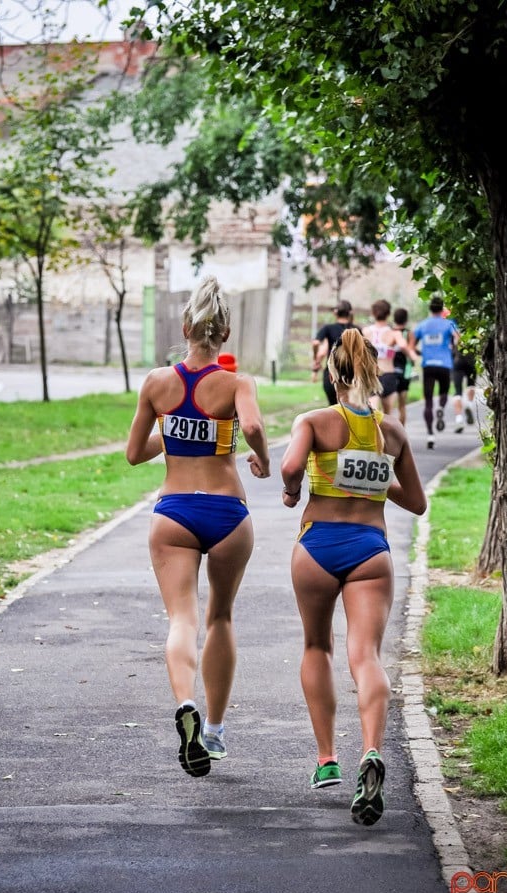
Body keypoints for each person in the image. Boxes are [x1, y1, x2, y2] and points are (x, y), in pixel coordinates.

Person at [126, 275, 271, 778]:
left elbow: (133, 453)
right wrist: (262, 457)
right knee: (221, 619)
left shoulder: (156, 383)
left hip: (174, 513)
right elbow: (250, 426)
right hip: (227, 512)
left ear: (185, 326)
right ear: (224, 333)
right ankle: (213, 730)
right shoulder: (236, 384)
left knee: (182, 619)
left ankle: (185, 702)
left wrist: (172, 436)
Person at [280, 328, 426, 826]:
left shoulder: (315, 421)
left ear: (332, 375)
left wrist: (292, 488)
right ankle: (371, 751)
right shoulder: (392, 434)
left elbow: (291, 465)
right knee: (365, 656)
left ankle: (326, 760)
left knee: (316, 647)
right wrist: (378, 482)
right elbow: (417, 502)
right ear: (372, 374)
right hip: (371, 551)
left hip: (317, 546)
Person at [413, 295, 459, 449]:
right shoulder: (449, 324)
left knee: (428, 401)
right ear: (441, 309)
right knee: (444, 394)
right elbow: (457, 339)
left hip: (428, 365)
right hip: (444, 364)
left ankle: (430, 434)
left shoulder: (422, 325)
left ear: (430, 309)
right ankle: (441, 408)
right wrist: (452, 350)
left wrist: (420, 354)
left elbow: (411, 344)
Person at [362, 298, 417, 415]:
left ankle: (375, 432)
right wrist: (413, 356)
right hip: (388, 375)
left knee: (373, 415)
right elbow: (403, 345)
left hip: (372, 375)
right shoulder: (394, 333)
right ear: (388, 314)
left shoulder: (365, 332)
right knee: (387, 417)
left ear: (373, 313)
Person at [311, 300, 359, 404]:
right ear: (350, 312)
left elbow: (315, 343)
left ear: (335, 313)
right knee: (350, 407)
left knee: (333, 406)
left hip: (332, 372)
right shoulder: (356, 329)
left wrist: (315, 358)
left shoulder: (328, 328)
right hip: (352, 373)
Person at [391, 307, 415, 426]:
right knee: (402, 405)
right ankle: (401, 432)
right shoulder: (408, 333)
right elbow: (410, 350)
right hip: (405, 371)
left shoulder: (390, 332)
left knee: (389, 404)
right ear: (406, 320)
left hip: (390, 370)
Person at [452, 343, 477, 432]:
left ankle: (459, 420)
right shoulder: (474, 329)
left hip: (458, 359)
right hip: (471, 360)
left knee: (457, 391)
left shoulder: (453, 329)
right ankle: (469, 406)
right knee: (471, 385)